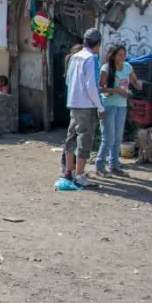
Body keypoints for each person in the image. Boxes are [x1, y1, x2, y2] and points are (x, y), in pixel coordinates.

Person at [62, 28, 104, 187]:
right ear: (98, 44)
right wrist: (100, 107)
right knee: (84, 139)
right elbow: (92, 86)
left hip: (73, 103)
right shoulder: (91, 59)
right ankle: (79, 174)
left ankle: (69, 171)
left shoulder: (74, 57)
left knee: (71, 137)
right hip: (86, 105)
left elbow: (68, 81)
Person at [95, 45, 143, 176]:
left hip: (122, 106)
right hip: (108, 106)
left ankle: (114, 165)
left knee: (117, 138)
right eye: (119, 55)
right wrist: (116, 90)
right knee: (108, 138)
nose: (122, 57)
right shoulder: (106, 69)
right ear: (113, 56)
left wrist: (137, 85)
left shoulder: (127, 67)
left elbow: (134, 81)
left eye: (124, 54)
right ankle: (99, 166)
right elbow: (100, 88)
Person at [60, 44, 83, 174]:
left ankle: (69, 164)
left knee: (72, 135)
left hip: (74, 103)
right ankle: (68, 165)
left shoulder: (71, 65)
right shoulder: (75, 66)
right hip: (77, 105)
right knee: (73, 136)